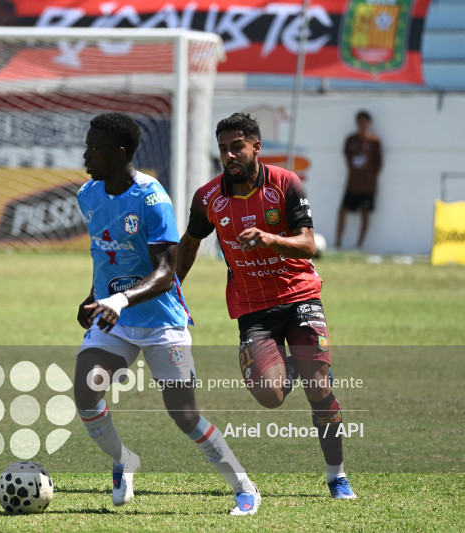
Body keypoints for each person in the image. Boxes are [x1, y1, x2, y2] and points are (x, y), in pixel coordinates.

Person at [74, 112, 261, 515]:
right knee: (86, 393)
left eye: (94, 147)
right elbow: (109, 255)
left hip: (161, 321)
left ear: (119, 154)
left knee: (185, 414)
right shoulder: (87, 194)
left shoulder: (151, 198)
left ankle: (244, 486)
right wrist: (94, 295)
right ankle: (124, 461)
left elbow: (165, 272)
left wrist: (119, 300)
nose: (85, 154)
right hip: (115, 320)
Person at [176, 112, 356, 499]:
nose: (229, 155)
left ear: (256, 147)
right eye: (223, 148)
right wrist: (175, 288)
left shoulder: (285, 183)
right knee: (270, 395)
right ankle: (297, 366)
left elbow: (309, 244)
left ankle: (336, 476)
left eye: (237, 146)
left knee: (319, 389)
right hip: (253, 307)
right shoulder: (208, 198)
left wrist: (270, 239)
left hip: (299, 295)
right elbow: (189, 241)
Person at [335, 110, 382, 249]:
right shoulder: (351, 140)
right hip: (352, 185)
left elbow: (378, 164)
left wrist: (370, 177)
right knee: (342, 211)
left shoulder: (374, 142)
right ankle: (338, 243)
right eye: (359, 121)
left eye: (364, 121)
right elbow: (347, 158)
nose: (362, 124)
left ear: (369, 123)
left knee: (365, 213)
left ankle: (359, 245)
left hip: (368, 186)